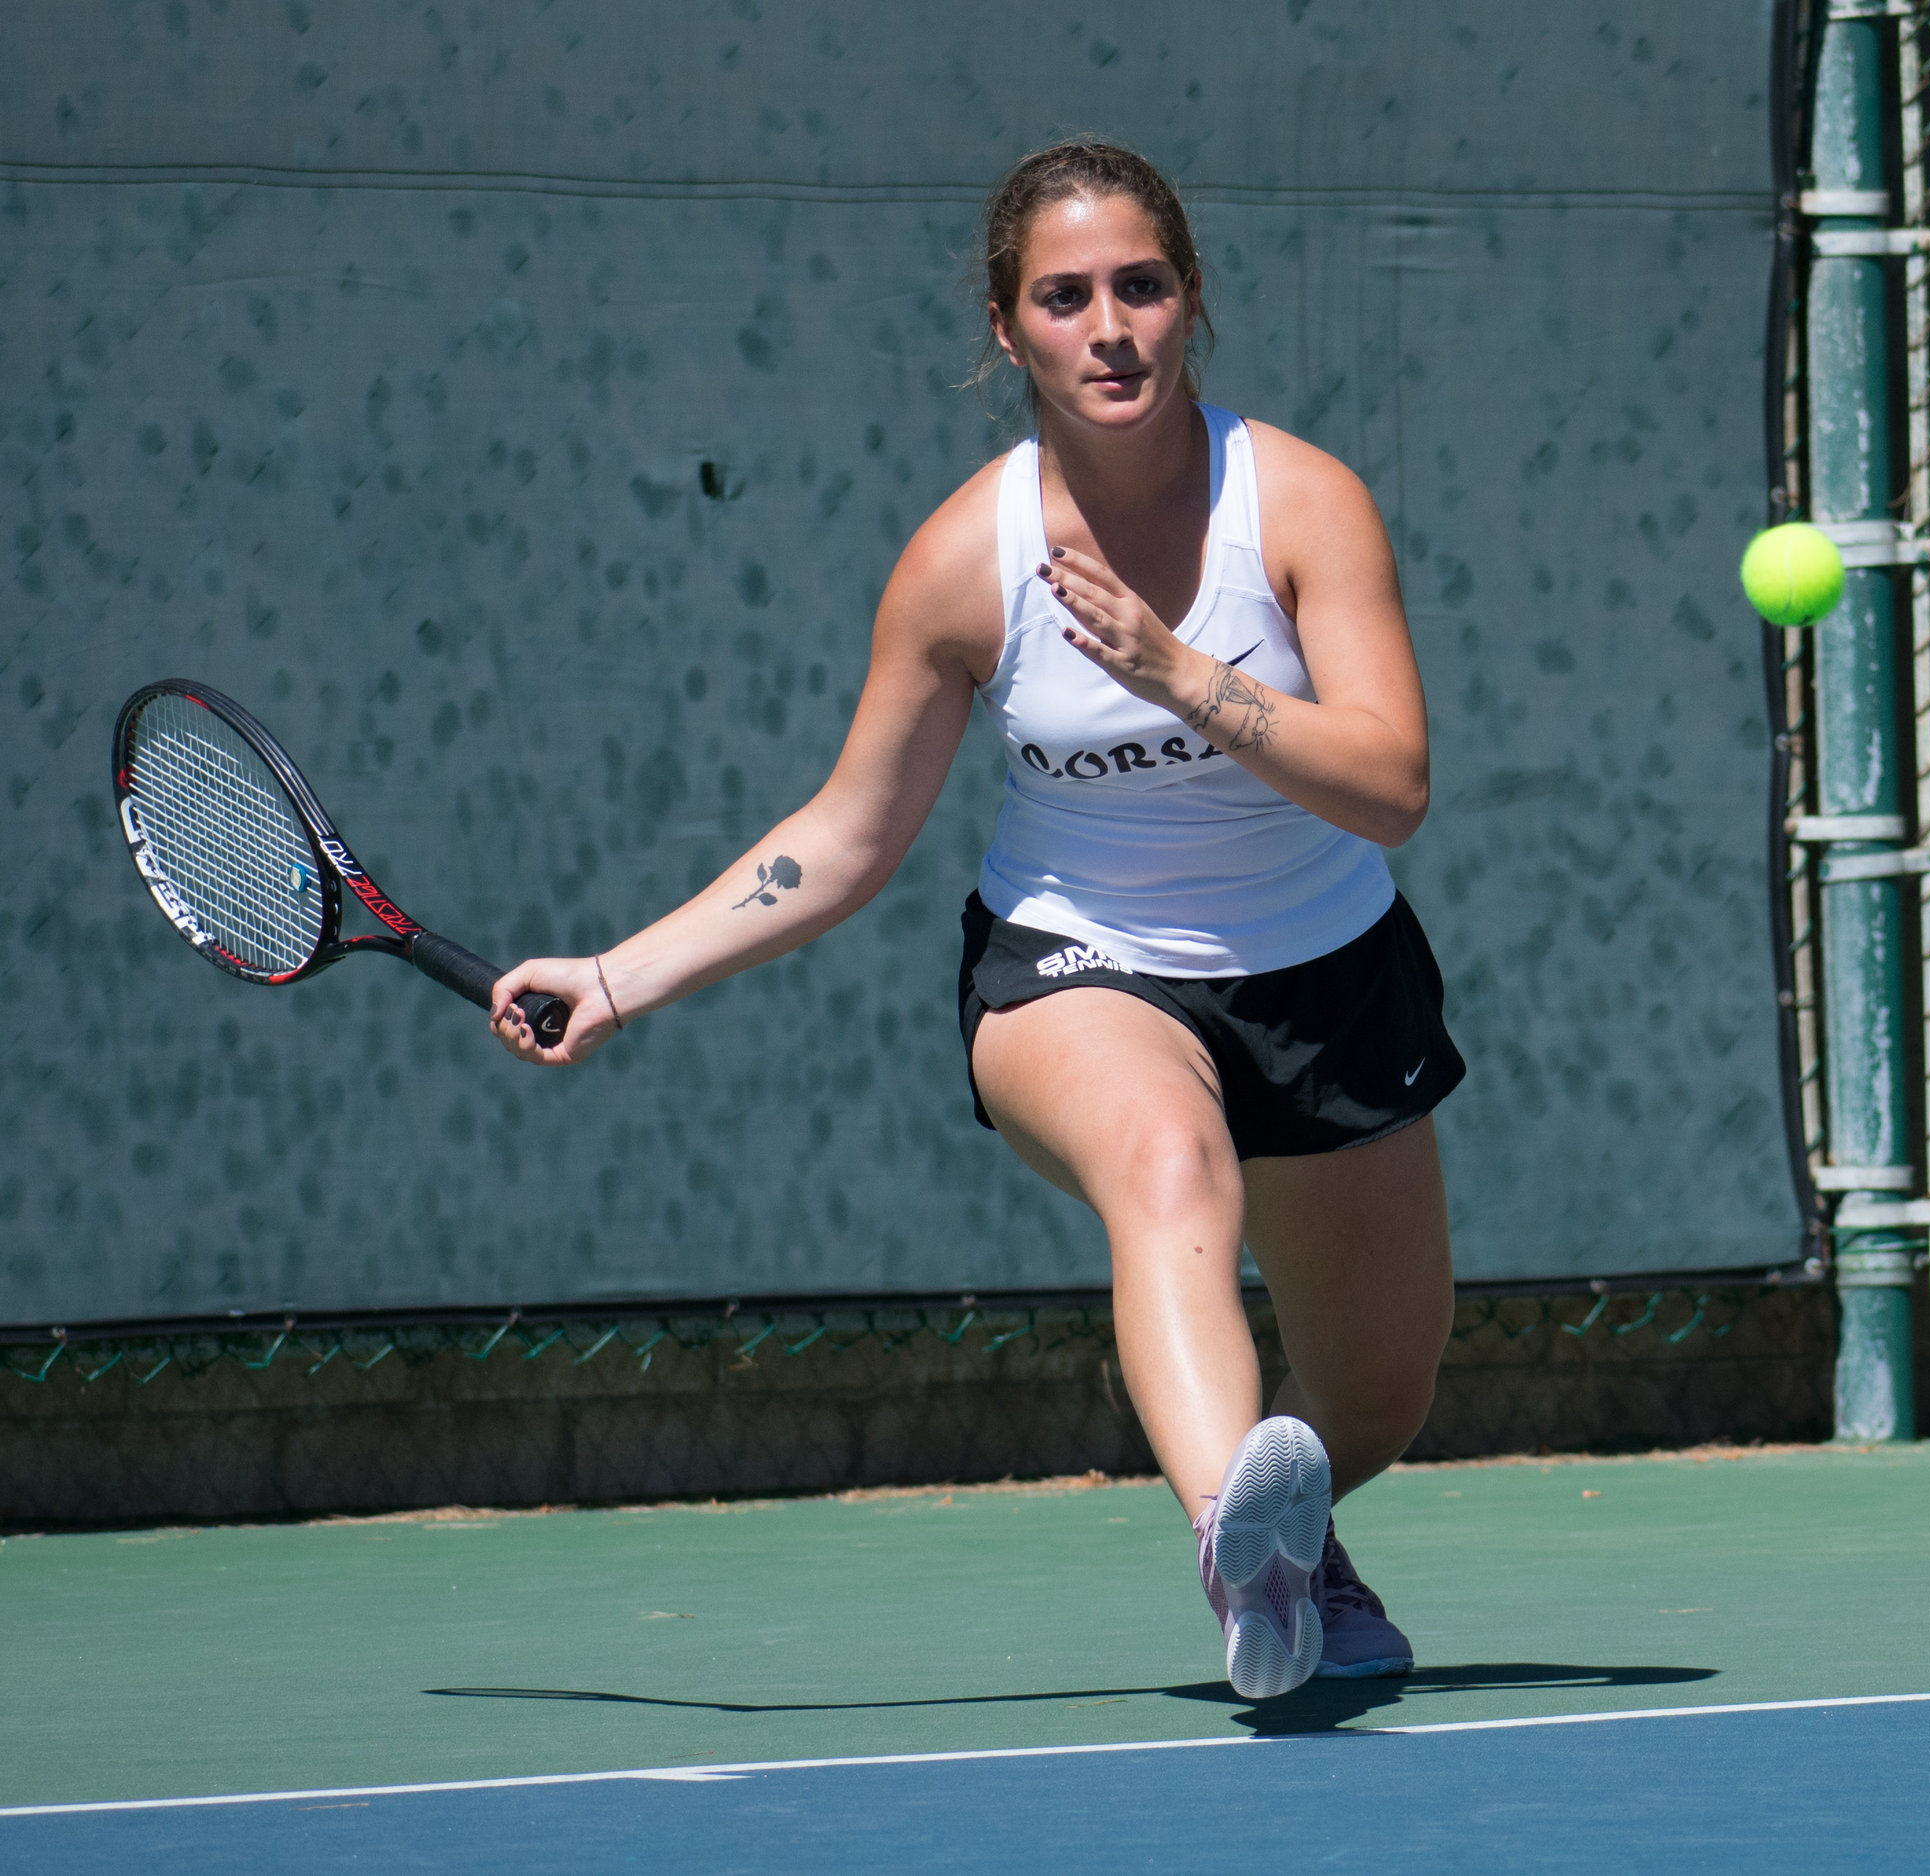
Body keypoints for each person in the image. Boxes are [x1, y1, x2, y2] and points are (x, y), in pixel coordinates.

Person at [488, 140, 1464, 1701]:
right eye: (1065, 298)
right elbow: (852, 830)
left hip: (1329, 975)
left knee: (1386, 1388)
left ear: (1189, 301)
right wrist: (620, 976)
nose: (1110, 327)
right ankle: (1239, 1539)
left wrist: (1183, 678)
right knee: (1166, 1165)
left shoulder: (1299, 506)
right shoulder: (966, 560)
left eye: (1140, 287)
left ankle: (1296, 1536)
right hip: (1078, 965)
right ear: (1010, 334)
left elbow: (1394, 782)